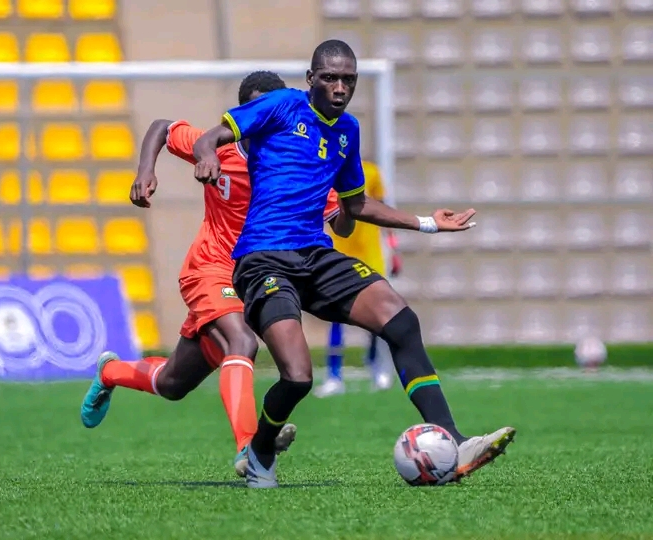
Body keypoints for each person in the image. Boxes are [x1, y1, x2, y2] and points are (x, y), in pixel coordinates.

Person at [192, 40, 516, 488]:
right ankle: (260, 451)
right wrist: (207, 155)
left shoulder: (347, 131)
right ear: (311, 79)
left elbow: (356, 205)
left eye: (349, 79)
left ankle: (455, 440)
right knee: (299, 376)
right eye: (330, 77)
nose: (340, 87)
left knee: (400, 321)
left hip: (315, 254)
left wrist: (426, 223)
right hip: (262, 258)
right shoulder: (281, 105)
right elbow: (212, 136)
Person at [79, 71, 353, 477]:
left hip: (256, 276)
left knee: (173, 383)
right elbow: (161, 128)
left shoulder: (297, 162)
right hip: (209, 268)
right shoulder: (219, 149)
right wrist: (145, 172)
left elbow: (341, 219)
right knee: (241, 342)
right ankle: (250, 448)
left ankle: (110, 371)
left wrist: (349, 201)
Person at [315, 160, 398, 397]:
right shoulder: (325, 169)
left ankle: (375, 366)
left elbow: (383, 209)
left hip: (370, 253)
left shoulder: (371, 171)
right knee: (336, 316)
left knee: (374, 314)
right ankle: (333, 376)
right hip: (339, 252)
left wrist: (394, 248)